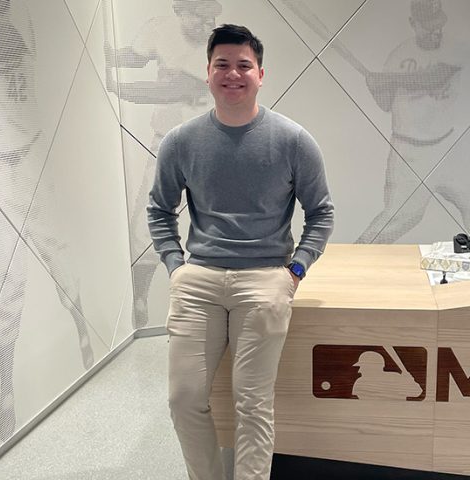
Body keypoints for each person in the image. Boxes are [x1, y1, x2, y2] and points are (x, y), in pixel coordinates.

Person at [147, 24, 334, 479]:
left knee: (252, 402)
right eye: (222, 65)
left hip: (267, 276)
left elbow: (321, 213)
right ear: (207, 73)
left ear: (261, 74)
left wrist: (294, 270)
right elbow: (159, 210)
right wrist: (176, 268)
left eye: (243, 65)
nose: (233, 73)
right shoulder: (181, 141)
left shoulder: (292, 141)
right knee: (183, 398)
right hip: (199, 279)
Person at [0, 0, 94, 442]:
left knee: (58, 256)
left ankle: (82, 330)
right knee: (10, 277)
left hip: (33, 162)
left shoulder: (20, 36)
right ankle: (6, 392)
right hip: (3, 169)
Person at [104, 0, 221, 328]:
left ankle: (211, 310)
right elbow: (132, 58)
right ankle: (139, 302)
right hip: (166, 143)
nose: (204, 23)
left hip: (208, 147)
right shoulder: (160, 29)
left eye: (209, 16)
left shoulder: (217, 45)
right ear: (180, 10)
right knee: (145, 225)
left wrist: (114, 87)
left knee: (211, 227)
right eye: (198, 15)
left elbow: (173, 89)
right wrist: (100, 53)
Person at [356, 0, 469, 243]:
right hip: (409, 154)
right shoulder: (399, 55)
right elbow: (386, 104)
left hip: (448, 149)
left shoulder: (454, 48)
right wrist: (375, 86)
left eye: (438, 24)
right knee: (399, 219)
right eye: (427, 25)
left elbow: (434, 79)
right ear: (413, 23)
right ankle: (355, 259)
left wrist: (388, 80)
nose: (434, 30)